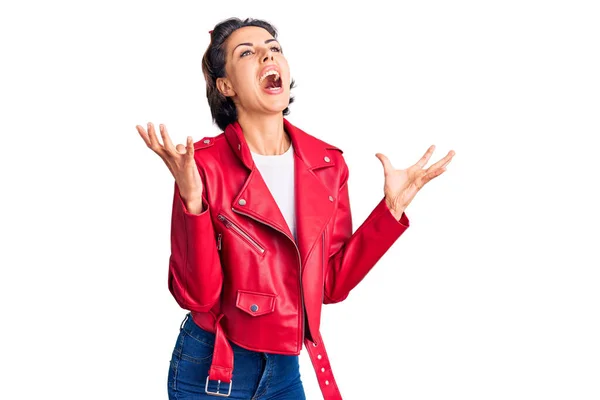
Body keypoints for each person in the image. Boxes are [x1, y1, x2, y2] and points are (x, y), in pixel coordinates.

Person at [136, 17, 455, 400]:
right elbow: (199, 297)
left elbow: (331, 286)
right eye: (248, 53)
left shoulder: (327, 164)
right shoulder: (202, 165)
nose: (267, 56)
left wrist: (389, 211)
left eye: (274, 49)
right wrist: (192, 203)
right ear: (226, 86)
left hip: (286, 363)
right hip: (212, 366)